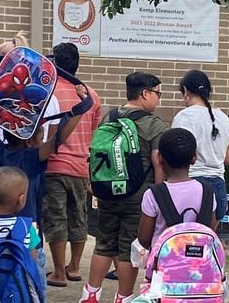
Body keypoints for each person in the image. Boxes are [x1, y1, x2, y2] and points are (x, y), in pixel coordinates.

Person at [0, 53, 92, 295]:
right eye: (39, 133)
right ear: (30, 139)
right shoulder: (32, 158)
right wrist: (81, 106)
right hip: (27, 239)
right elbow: (59, 139)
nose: (42, 137)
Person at [81, 72, 168, 303]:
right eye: (158, 93)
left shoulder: (109, 117)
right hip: (138, 196)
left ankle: (91, 293)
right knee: (128, 248)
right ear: (145, 93)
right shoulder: (154, 125)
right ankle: (124, 297)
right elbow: (158, 163)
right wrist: (159, 196)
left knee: (104, 243)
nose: (158, 99)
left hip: (108, 191)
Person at [43, 42, 102, 287]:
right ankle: (74, 268)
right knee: (79, 217)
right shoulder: (91, 95)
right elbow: (96, 135)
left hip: (54, 165)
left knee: (56, 218)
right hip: (81, 168)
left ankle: (58, 271)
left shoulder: (47, 92)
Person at [171, 70, 229, 224]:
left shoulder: (183, 118)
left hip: (189, 184)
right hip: (218, 186)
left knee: (185, 239)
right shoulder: (225, 120)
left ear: (186, 91)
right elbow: (228, 159)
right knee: (207, 241)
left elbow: (175, 155)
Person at [138, 128, 217, 250]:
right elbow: (209, 231)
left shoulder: (153, 194)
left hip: (163, 267)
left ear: (159, 158)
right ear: (194, 158)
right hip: (199, 266)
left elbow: (144, 239)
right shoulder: (207, 192)